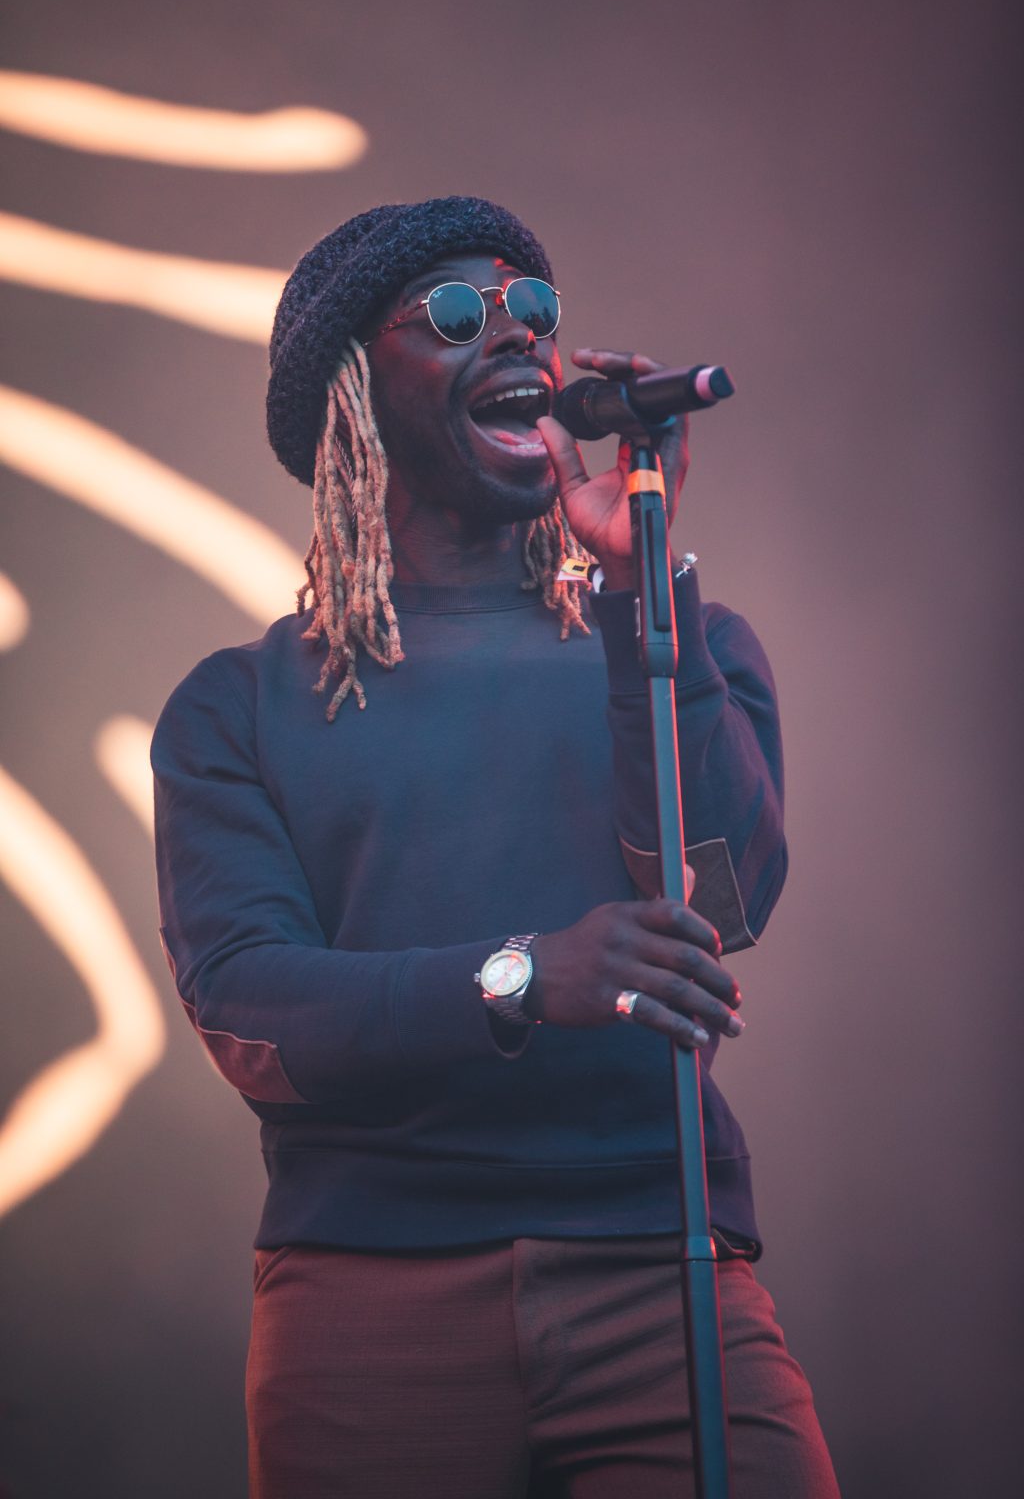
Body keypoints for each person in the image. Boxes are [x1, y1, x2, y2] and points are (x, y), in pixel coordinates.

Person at [151, 196, 839, 1498]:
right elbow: (250, 1011)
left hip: (662, 1265)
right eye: (458, 315)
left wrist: (644, 586)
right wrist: (525, 974)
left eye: (536, 311)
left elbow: (725, 891)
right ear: (354, 394)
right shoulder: (238, 706)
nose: (517, 336)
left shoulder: (679, 634)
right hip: (370, 1306)